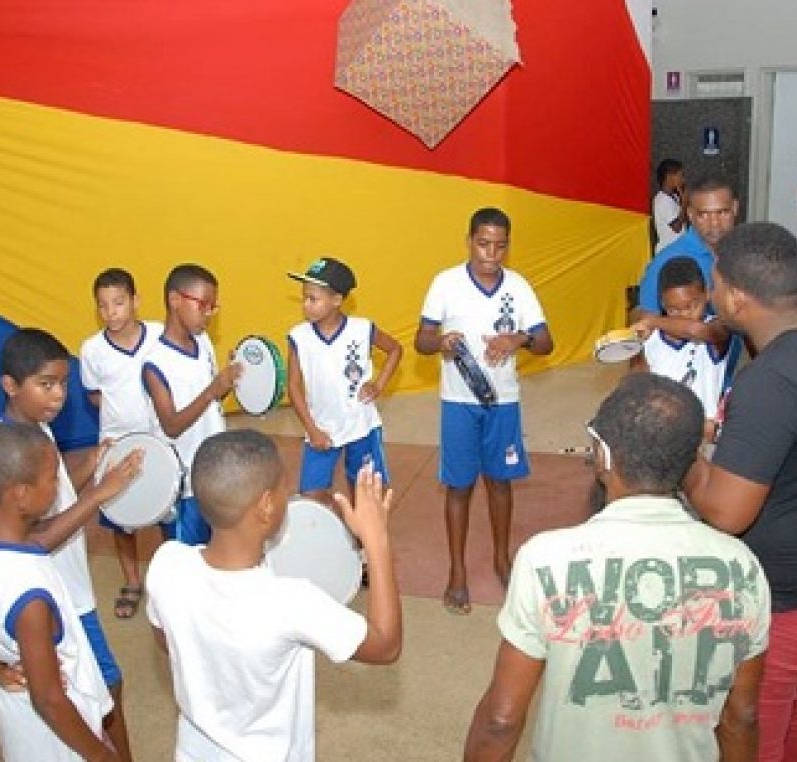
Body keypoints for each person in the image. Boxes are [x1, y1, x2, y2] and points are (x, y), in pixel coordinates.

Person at [465, 373, 771, 762]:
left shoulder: (546, 559)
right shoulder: (741, 566)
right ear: (691, 459)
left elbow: (502, 720)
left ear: (605, 457)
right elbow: (741, 717)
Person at [683, 222, 797, 762]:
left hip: (781, 598)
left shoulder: (773, 379)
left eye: (716, 285)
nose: (712, 295)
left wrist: (682, 450)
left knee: (748, 725)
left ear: (738, 298)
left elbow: (725, 512)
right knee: (785, 705)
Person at [145, 429, 402, 760]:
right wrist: (376, 539)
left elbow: (166, 639)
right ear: (266, 505)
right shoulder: (291, 603)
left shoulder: (167, 564)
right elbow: (386, 644)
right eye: (283, 487)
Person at [0, 328, 145, 760]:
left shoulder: (37, 432)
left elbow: (51, 498)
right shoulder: (11, 450)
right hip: (61, 601)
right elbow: (34, 536)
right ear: (10, 385)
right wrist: (101, 493)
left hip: (71, 590)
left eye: (63, 383)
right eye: (46, 384)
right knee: (104, 693)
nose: (59, 395)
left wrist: (87, 472)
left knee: (105, 689)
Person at [415, 207, 554, 615]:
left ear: (508, 246)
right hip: (459, 402)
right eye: (483, 243)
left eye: (500, 245)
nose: (491, 253)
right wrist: (439, 342)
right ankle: (457, 571)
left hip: (504, 401)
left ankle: (501, 558)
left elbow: (547, 342)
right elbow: (421, 339)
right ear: (469, 241)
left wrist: (519, 339)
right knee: (459, 486)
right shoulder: (446, 283)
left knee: (500, 482)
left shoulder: (519, 287)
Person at [79, 267, 168, 619]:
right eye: (103, 305)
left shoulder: (161, 336)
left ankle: (169, 579)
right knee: (121, 518)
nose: (111, 311)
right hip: (117, 442)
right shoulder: (91, 350)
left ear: (135, 301)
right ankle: (132, 581)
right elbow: (95, 395)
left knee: (168, 513)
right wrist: (122, 420)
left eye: (118, 302)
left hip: (162, 440)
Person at [286, 256, 403, 507]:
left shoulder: (362, 329)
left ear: (337, 300)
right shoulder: (298, 337)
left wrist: (379, 384)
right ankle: (343, 523)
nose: (306, 305)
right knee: (312, 495)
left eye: (313, 299)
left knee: (365, 491)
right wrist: (311, 429)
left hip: (361, 425)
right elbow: (294, 386)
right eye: (304, 297)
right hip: (321, 427)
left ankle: (362, 540)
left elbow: (395, 349)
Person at [141, 263, 241, 545]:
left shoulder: (204, 342)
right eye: (203, 305)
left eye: (213, 307)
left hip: (215, 472)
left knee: (218, 553)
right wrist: (212, 390)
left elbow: (210, 404)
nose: (208, 314)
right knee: (186, 563)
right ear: (175, 300)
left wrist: (226, 383)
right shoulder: (154, 363)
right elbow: (171, 426)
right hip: (183, 486)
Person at [630, 255, 735, 436]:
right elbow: (638, 383)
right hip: (664, 430)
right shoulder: (650, 339)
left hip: (704, 432)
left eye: (692, 306)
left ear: (707, 295)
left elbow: (697, 331)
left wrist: (652, 320)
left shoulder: (717, 328)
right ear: (662, 303)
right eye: (674, 310)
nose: (683, 315)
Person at [636, 175, 739, 318]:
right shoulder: (667, 260)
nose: (714, 223)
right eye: (704, 215)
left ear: (735, 208)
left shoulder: (747, 254)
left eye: (722, 212)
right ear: (690, 214)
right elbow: (646, 321)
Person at [653, 158, 687, 252]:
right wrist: (684, 203)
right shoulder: (662, 200)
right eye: (681, 175)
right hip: (668, 252)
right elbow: (677, 227)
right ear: (670, 177)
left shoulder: (674, 197)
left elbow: (683, 220)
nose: (683, 180)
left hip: (677, 250)